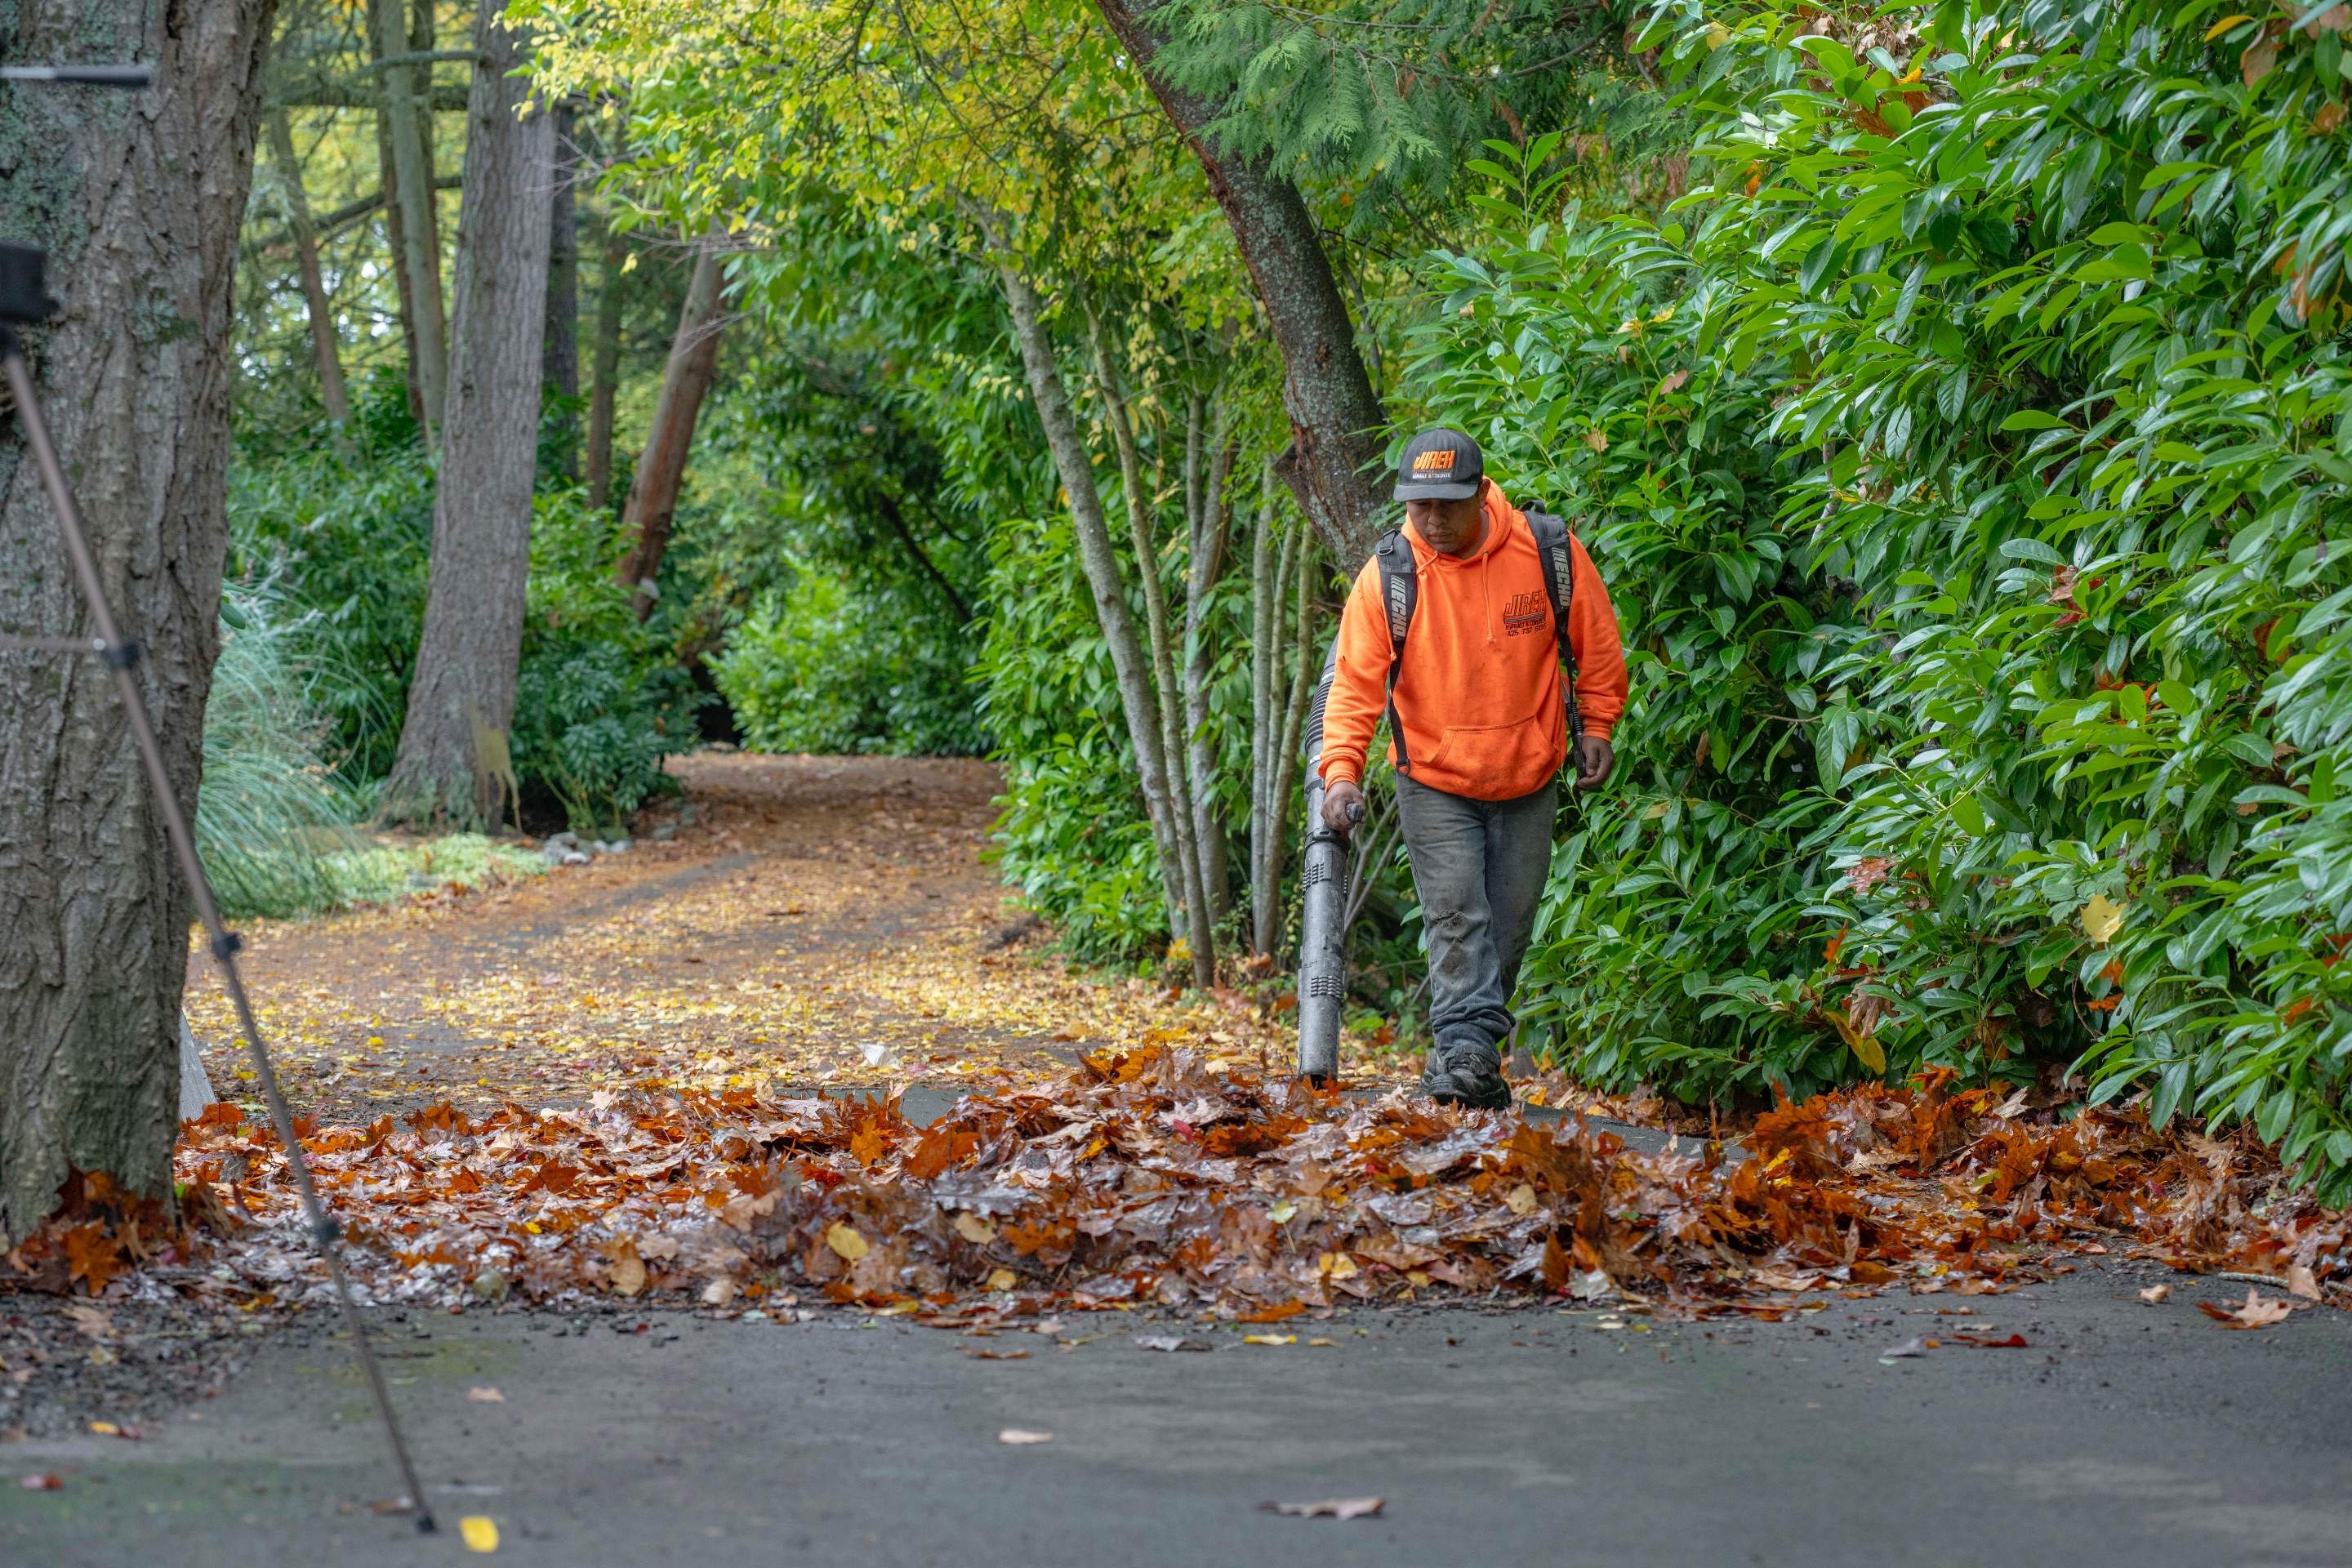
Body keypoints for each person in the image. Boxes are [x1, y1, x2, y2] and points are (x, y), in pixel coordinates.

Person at [1317, 429, 1627, 1108]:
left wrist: (1597, 724)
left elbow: (1596, 642)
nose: (1432, 519)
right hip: (1433, 778)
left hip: (1530, 775)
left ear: (1483, 493)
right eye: (1419, 504)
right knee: (1458, 916)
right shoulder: (1390, 577)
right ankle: (1465, 1060)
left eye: (1447, 505)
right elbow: (1353, 686)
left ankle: (1464, 1060)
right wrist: (1341, 772)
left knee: (1508, 929)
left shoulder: (1546, 552)